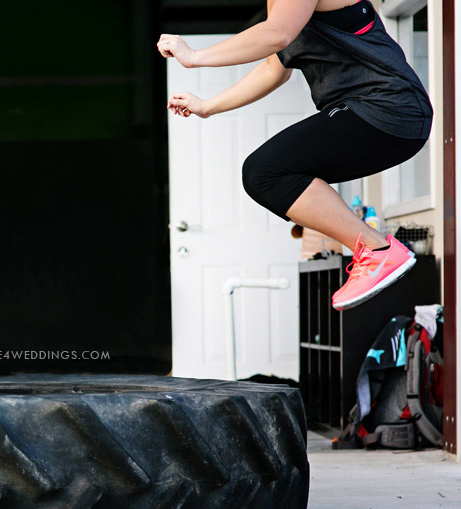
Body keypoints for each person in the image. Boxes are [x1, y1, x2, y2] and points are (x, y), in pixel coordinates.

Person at [157, 0, 431, 311]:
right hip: (385, 118)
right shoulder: (281, 5)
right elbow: (275, 68)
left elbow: (277, 34)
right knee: (269, 175)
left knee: (265, 170)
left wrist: (194, 57)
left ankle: (377, 250)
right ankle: (374, 249)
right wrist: (208, 106)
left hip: (385, 106)